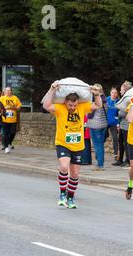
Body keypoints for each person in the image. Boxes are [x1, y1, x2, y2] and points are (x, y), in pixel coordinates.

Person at [43, 81, 102, 209]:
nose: (72, 107)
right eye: (70, 105)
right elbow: (46, 105)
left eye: (74, 105)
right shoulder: (60, 108)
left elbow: (98, 105)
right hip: (63, 143)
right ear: (65, 102)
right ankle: (62, 194)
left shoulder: (82, 107)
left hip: (78, 145)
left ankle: (70, 197)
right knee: (64, 167)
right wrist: (52, 89)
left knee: (74, 174)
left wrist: (97, 94)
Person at [87, 84, 108, 171]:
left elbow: (90, 112)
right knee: (100, 145)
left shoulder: (96, 100)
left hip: (95, 125)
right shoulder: (105, 99)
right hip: (104, 124)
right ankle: (99, 161)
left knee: (98, 145)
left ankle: (100, 164)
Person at [114, 81, 133, 167]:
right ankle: (120, 159)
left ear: (125, 90)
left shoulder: (128, 100)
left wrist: (119, 113)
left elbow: (124, 113)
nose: (120, 91)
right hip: (122, 125)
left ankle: (128, 160)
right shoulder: (123, 99)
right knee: (120, 143)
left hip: (127, 126)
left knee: (126, 144)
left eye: (121, 89)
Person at [0, 87, 22, 154]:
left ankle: (9, 142)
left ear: (11, 91)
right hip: (4, 119)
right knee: (5, 134)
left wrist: (13, 107)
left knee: (12, 133)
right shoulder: (2, 98)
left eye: (9, 90)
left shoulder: (15, 98)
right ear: (5, 91)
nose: (8, 92)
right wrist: (5, 108)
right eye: (7, 90)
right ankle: (6, 147)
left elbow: (19, 107)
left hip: (13, 120)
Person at [106, 87, 120, 160]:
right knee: (103, 137)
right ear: (110, 93)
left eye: (115, 93)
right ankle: (99, 153)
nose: (114, 94)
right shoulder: (106, 100)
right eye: (113, 92)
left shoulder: (118, 101)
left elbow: (119, 114)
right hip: (105, 122)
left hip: (114, 123)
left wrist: (118, 124)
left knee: (115, 138)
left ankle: (115, 154)